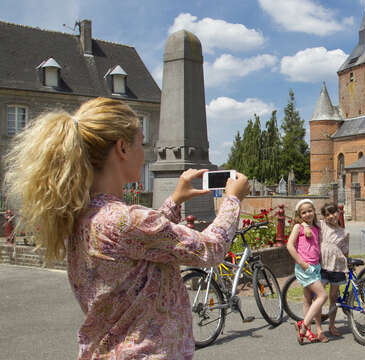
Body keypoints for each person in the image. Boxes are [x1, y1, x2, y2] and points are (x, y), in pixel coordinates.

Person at [2, 97, 250, 359]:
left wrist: (174, 201)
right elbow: (211, 249)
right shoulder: (126, 220)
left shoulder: (84, 216)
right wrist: (232, 199)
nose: (146, 150)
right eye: (142, 140)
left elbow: (140, 245)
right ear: (122, 147)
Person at [286, 199, 328, 344]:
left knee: (307, 299)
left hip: (315, 267)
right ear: (299, 214)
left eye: (310, 211)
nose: (307, 214)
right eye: (304, 212)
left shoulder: (315, 227)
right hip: (305, 267)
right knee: (322, 296)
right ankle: (303, 326)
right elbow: (290, 246)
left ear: (314, 211)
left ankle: (310, 331)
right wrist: (301, 263)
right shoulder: (299, 227)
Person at [318, 203, 349, 337]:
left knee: (333, 297)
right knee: (320, 297)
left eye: (333, 212)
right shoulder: (322, 225)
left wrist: (346, 266)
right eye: (327, 214)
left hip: (337, 268)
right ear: (324, 217)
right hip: (323, 267)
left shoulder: (344, 233)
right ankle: (319, 327)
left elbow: (345, 252)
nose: (331, 216)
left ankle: (331, 324)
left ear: (338, 212)